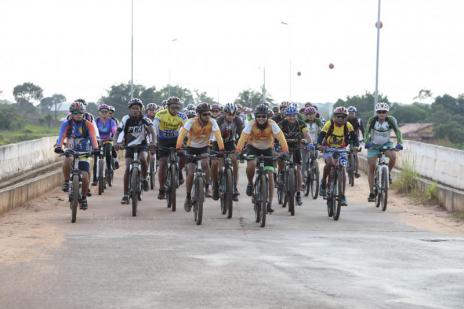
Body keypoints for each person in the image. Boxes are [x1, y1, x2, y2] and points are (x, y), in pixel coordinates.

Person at [236, 104, 289, 213]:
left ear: (267, 117)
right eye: (259, 116)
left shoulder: (272, 124)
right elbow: (243, 138)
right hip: (253, 147)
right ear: (255, 117)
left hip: (267, 149)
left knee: (270, 175)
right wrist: (238, 151)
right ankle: (250, 183)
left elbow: (281, 138)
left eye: (264, 116)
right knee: (251, 164)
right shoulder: (251, 124)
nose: (261, 118)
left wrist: (285, 151)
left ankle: (269, 203)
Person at [176, 102, 225, 212]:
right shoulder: (191, 122)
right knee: (191, 173)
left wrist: (221, 149)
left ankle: (207, 186)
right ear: (198, 115)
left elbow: (218, 135)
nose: (207, 116)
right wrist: (178, 148)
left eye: (209, 114)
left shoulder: (212, 122)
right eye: (204, 115)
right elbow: (182, 134)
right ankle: (188, 196)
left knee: (205, 163)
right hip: (191, 148)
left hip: (204, 147)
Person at [54, 101, 99, 210]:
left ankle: (83, 198)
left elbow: (93, 138)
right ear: (71, 113)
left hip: (84, 150)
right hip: (71, 148)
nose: (78, 115)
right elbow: (61, 136)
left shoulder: (88, 124)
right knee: (67, 160)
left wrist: (96, 148)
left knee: (85, 176)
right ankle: (66, 182)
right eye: (75, 113)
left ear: (84, 113)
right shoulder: (66, 124)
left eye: (80, 113)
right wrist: (59, 146)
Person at [114, 98, 157, 204]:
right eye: (133, 108)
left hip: (142, 145)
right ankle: (125, 195)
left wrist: (153, 143)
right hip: (129, 146)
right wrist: (115, 142)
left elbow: (152, 132)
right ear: (129, 109)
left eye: (137, 108)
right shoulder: (126, 119)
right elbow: (118, 132)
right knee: (127, 168)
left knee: (143, 158)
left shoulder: (145, 119)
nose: (135, 110)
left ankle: (144, 178)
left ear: (141, 110)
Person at [317, 106, 359, 206]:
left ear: (346, 118)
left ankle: (343, 196)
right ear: (334, 117)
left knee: (342, 169)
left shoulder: (348, 125)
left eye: (343, 117)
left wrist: (356, 146)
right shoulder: (329, 124)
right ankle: (323, 183)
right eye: (338, 116)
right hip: (328, 148)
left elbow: (354, 137)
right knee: (330, 163)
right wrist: (319, 145)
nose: (340, 119)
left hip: (342, 149)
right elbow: (321, 135)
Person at [365, 102, 403, 202]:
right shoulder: (372, 120)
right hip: (373, 145)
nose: (381, 114)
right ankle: (372, 193)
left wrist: (400, 143)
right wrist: (366, 142)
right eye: (379, 112)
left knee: (393, 156)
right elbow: (366, 132)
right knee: (372, 166)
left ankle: (388, 173)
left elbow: (398, 131)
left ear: (387, 113)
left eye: (384, 112)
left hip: (386, 144)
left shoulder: (391, 120)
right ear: (376, 112)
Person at [277, 104, 312, 205]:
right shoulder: (282, 123)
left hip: (296, 146)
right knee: (280, 159)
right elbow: (275, 134)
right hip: (284, 146)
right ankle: (282, 174)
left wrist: (310, 143)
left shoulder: (301, 123)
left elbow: (307, 134)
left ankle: (298, 193)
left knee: (298, 168)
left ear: (296, 115)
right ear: (285, 115)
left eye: (293, 115)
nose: (291, 117)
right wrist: (274, 142)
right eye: (289, 115)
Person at [153, 97, 187, 199]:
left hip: (176, 140)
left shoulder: (182, 116)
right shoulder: (160, 114)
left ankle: (179, 171)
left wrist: (187, 140)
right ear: (168, 107)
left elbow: (187, 129)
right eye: (173, 107)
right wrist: (154, 142)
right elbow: (154, 127)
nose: (175, 110)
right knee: (163, 163)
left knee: (183, 155)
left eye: (178, 107)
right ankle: (162, 189)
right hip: (163, 141)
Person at [210, 102, 244, 201]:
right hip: (217, 143)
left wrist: (240, 147)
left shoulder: (238, 120)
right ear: (224, 113)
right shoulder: (219, 120)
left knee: (234, 161)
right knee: (216, 165)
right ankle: (216, 186)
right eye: (229, 114)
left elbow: (242, 135)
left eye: (233, 114)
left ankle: (234, 187)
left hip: (229, 142)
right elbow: (215, 135)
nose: (231, 116)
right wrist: (219, 149)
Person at [91, 104, 118, 186]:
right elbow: (92, 130)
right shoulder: (96, 121)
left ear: (108, 112)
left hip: (108, 141)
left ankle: (109, 171)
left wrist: (113, 137)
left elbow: (114, 130)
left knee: (108, 155)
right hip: (98, 141)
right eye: (102, 112)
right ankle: (95, 179)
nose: (104, 113)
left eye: (106, 112)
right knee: (96, 161)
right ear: (99, 112)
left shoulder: (112, 121)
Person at [302, 106, 323, 174]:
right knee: (304, 161)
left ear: (315, 114)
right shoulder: (303, 122)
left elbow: (321, 129)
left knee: (314, 157)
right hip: (306, 143)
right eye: (308, 114)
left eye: (312, 114)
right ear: (306, 115)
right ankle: (303, 177)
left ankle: (315, 169)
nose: (310, 116)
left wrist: (320, 130)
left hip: (315, 143)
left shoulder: (318, 121)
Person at [346, 106, 365, 178]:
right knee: (344, 151)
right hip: (346, 137)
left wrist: (364, 139)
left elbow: (362, 130)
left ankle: (356, 171)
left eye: (352, 113)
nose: (351, 114)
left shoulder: (359, 120)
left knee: (355, 153)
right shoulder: (345, 120)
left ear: (355, 113)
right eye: (350, 113)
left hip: (355, 138)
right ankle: (344, 166)